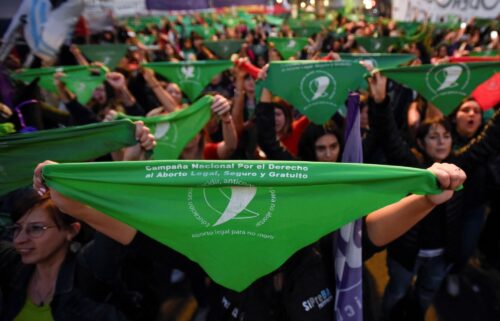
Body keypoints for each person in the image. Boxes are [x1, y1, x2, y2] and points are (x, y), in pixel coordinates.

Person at [367, 71, 500, 320]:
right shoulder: (412, 166)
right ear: (420, 142)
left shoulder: (459, 165)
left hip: (441, 255)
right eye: (433, 137)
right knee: (396, 293)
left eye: (446, 136)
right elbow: (388, 135)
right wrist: (380, 102)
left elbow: (489, 141)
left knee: (426, 294)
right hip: (406, 255)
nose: (441, 142)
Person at [0, 122, 155, 321]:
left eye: (36, 229)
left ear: (71, 231)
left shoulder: (89, 271)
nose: (19, 240)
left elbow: (115, 221)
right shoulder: (11, 266)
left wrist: (131, 160)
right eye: (16, 229)